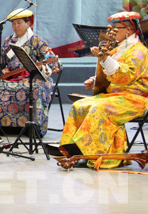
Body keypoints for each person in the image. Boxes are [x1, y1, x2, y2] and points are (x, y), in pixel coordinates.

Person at [59, 11, 148, 169]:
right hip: (115, 96)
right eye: (111, 28)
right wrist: (95, 80)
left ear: (128, 29)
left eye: (116, 28)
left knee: (98, 108)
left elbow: (125, 75)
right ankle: (73, 150)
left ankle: (89, 153)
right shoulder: (119, 49)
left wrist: (105, 58)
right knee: (79, 106)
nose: (112, 31)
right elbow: (112, 72)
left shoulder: (138, 51)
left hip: (135, 99)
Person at [0, 8, 61, 135]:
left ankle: (35, 128)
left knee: (37, 89)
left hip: (32, 78)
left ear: (28, 23)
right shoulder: (8, 41)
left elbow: (48, 58)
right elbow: (0, 60)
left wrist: (42, 67)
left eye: (19, 23)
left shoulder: (37, 40)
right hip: (11, 77)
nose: (16, 26)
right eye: (13, 23)